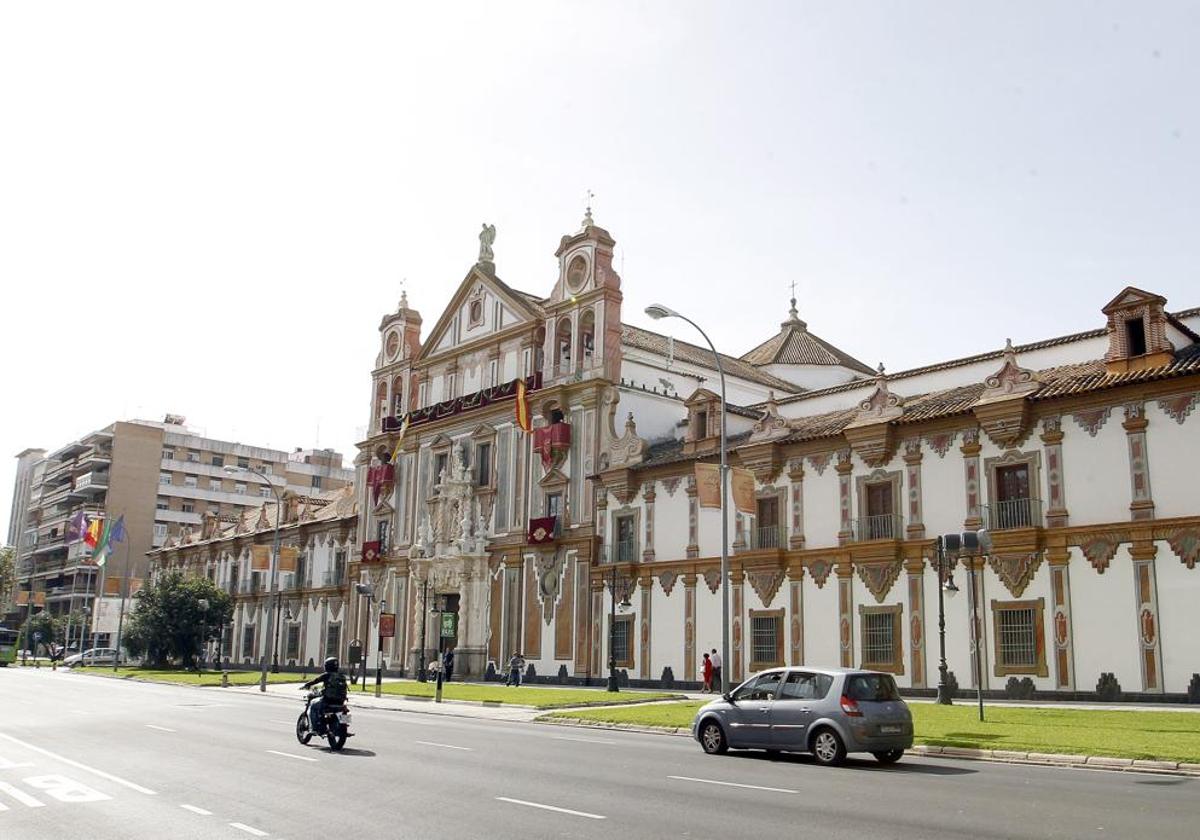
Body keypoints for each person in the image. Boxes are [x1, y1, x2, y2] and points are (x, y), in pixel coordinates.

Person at [301, 657, 348, 734]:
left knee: (313, 704)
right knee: (344, 711)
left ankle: (316, 728)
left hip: (328, 700)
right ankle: (344, 726)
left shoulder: (327, 675)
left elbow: (316, 680)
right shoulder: (342, 676)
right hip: (341, 701)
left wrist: (307, 684)